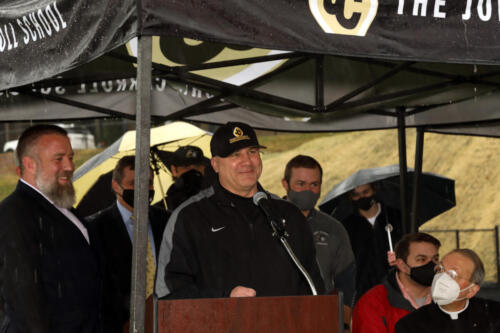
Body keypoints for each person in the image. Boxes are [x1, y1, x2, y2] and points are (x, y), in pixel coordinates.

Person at [155, 121, 324, 299]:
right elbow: (169, 292)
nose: (247, 162)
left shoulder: (288, 214)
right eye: (235, 154)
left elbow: (314, 287)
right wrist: (224, 299)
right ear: (215, 164)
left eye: (252, 152)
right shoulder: (190, 217)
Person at [0, 124, 101, 333]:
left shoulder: (64, 208)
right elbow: (24, 301)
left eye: (71, 157)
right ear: (30, 164)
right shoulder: (13, 214)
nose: (70, 166)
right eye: (59, 159)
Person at [86, 155, 168, 332]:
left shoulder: (167, 220)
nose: (143, 189)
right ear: (116, 186)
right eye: (134, 183)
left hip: (164, 320)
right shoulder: (95, 228)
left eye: (149, 183)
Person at [281, 155, 356, 330]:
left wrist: (342, 323)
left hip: (321, 319)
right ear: (285, 184)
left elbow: (346, 280)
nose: (308, 190)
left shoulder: (333, 228)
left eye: (314, 184)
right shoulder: (267, 221)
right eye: (301, 184)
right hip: (278, 315)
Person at [352, 232, 441, 333]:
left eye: (435, 259)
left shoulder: (448, 298)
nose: (431, 265)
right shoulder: (373, 303)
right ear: (402, 265)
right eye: (421, 259)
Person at [395, 248, 500, 333]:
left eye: (452, 274)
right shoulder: (410, 325)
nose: (441, 277)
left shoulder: (494, 316)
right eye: (440, 269)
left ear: (471, 290)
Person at [341, 182, 403, 302]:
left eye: (366, 192)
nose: (362, 197)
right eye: (356, 195)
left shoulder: (395, 216)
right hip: (362, 291)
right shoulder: (346, 226)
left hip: (395, 288)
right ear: (350, 197)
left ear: (374, 190)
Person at [154, 145, 215, 211]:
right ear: (174, 170)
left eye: (197, 166)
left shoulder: (218, 199)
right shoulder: (162, 209)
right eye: (186, 166)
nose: (193, 170)